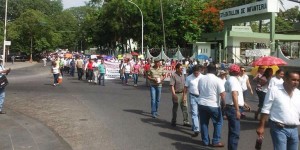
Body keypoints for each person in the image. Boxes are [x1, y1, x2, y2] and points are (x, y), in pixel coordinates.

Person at [256, 71, 300, 150]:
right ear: (285, 79)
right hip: (279, 128)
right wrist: (261, 126)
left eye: (298, 80)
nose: (296, 82)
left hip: (294, 129)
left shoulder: (298, 93)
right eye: (293, 80)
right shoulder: (274, 90)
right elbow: (266, 109)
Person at [198, 63, 226, 147]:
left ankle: (205, 141)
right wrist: (224, 104)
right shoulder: (218, 80)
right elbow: (222, 94)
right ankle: (216, 141)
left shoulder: (201, 79)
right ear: (216, 71)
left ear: (207, 69)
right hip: (213, 104)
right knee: (218, 122)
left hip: (202, 103)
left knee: (203, 123)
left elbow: (199, 91)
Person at [224, 64, 244, 150]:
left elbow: (233, 94)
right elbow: (234, 94)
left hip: (230, 106)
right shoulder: (234, 81)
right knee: (235, 133)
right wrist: (237, 110)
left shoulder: (229, 80)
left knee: (232, 132)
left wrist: (244, 103)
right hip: (233, 108)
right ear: (238, 72)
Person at [184, 65, 203, 137]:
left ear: (200, 71)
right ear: (193, 72)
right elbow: (185, 87)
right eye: (195, 73)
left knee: (199, 113)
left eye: (197, 73)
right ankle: (196, 129)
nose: (196, 74)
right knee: (194, 113)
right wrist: (184, 97)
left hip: (201, 97)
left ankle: (195, 126)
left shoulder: (203, 77)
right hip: (192, 96)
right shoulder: (189, 78)